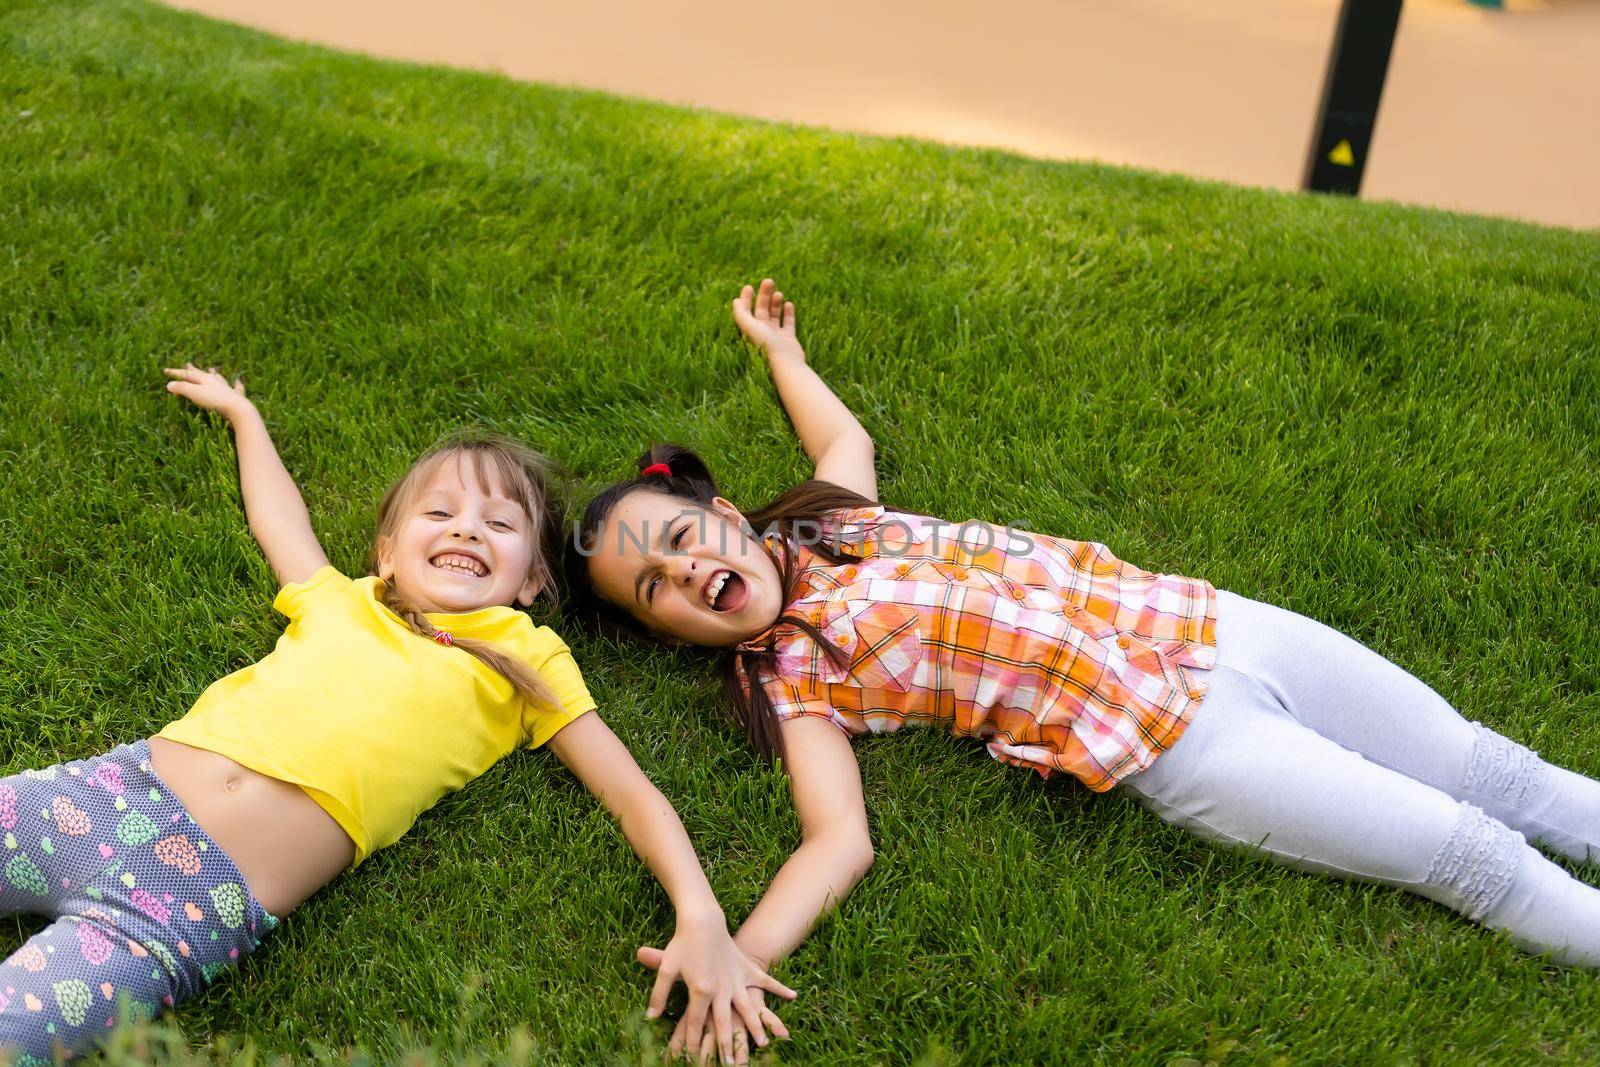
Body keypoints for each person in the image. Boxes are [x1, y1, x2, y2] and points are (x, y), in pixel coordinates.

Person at [571, 279, 1600, 1063]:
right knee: (1470, 855)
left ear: (719, 511)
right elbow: (837, 840)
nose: (690, 568)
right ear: (668, 635)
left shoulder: (835, 515)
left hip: (1217, 624)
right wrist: (739, 950)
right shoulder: (795, 674)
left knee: (1490, 767)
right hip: (1181, 742)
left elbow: (843, 432)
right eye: (657, 586)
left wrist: (781, 350)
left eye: (678, 536)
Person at [0, 365, 793, 1066]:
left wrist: (701, 914)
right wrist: (246, 419)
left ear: (530, 580)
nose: (465, 528)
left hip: (191, 904)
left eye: (500, 524)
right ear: (386, 552)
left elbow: (632, 794)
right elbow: (283, 522)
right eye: (439, 512)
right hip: (110, 794)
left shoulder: (526, 660)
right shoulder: (345, 599)